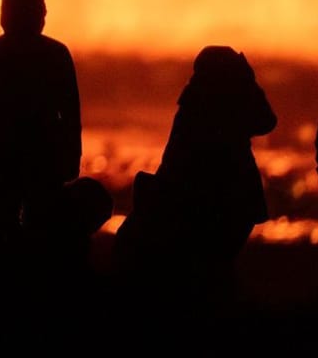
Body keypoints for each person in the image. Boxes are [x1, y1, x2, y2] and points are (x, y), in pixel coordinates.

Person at [115, 45, 277, 292]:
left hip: (210, 201)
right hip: (220, 201)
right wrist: (248, 80)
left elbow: (266, 121)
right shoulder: (223, 107)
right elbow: (266, 120)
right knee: (212, 269)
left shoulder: (194, 106)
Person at [0, 0, 82, 240]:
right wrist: (72, 157)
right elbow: (71, 118)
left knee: (7, 236)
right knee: (37, 237)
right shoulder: (56, 54)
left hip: (13, 161)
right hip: (37, 162)